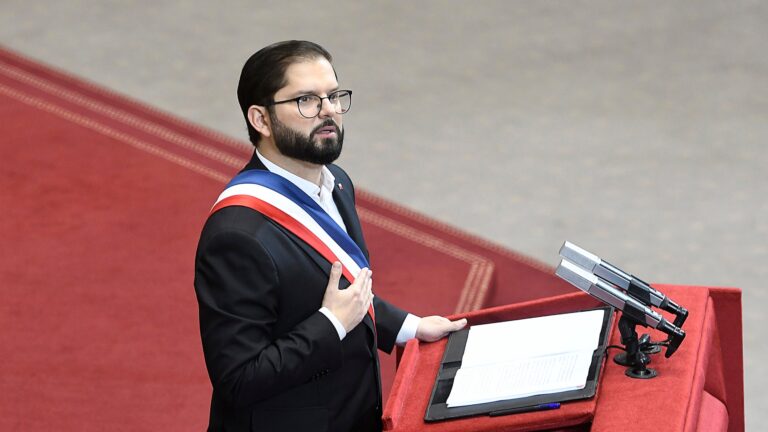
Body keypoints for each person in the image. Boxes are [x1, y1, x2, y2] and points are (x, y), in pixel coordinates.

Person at [194, 40, 466, 432]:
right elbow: (239, 379)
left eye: (334, 95)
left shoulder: (337, 183)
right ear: (261, 119)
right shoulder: (236, 237)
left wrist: (409, 327)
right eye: (306, 100)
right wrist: (330, 324)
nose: (330, 112)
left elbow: (345, 292)